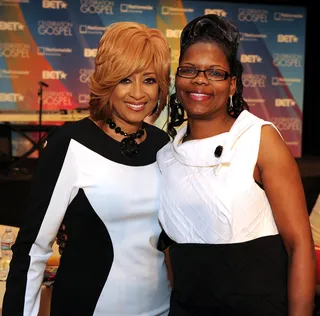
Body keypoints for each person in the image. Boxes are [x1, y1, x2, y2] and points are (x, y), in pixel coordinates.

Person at [2, 22, 172, 316]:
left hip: (162, 308)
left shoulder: (162, 144)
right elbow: (33, 249)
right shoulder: (70, 143)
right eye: (125, 79)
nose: (137, 93)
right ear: (107, 81)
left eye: (149, 80)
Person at [157, 14, 316, 315]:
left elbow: (299, 246)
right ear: (177, 79)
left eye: (214, 73)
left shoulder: (259, 139)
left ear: (232, 85)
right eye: (189, 70)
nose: (200, 80)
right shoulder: (166, 156)